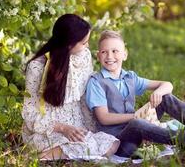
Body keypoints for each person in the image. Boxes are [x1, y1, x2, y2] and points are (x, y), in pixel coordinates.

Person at [86, 30, 185, 158]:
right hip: (120, 143)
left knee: (164, 97)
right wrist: (134, 116)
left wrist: (158, 92)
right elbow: (103, 118)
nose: (109, 56)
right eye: (104, 52)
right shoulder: (96, 82)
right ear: (98, 56)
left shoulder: (129, 77)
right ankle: (184, 139)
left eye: (114, 51)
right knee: (137, 124)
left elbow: (167, 85)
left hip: (139, 132)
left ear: (125, 54)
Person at [22, 15, 119, 160]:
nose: (87, 46)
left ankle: (73, 155)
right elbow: (30, 114)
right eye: (84, 43)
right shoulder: (37, 66)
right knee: (80, 146)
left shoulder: (84, 56)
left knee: (112, 143)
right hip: (48, 130)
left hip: (77, 126)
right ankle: (39, 156)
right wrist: (63, 128)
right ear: (68, 44)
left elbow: (83, 99)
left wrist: (92, 129)